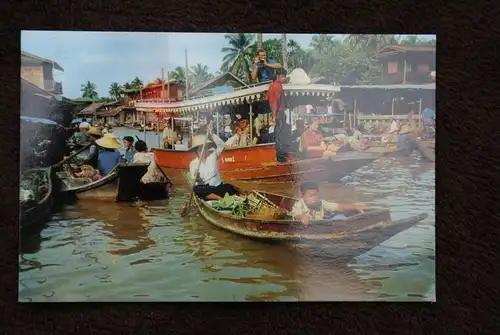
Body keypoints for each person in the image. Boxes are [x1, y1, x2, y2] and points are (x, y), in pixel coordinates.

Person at [189, 125, 238, 201]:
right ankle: (217, 198)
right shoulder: (193, 164)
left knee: (230, 187)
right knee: (197, 189)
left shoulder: (213, 154)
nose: (203, 151)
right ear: (196, 151)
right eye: (200, 149)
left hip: (218, 187)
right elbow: (193, 180)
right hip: (206, 190)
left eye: (204, 148)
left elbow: (222, 146)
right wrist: (197, 178)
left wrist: (212, 135)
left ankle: (219, 197)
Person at [291, 182, 369, 225]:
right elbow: (297, 215)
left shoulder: (321, 202)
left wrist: (355, 207)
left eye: (316, 195)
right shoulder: (299, 204)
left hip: (319, 226)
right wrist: (302, 217)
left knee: (340, 216)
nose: (314, 198)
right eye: (310, 196)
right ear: (303, 196)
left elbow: (339, 207)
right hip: (309, 226)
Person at [267, 68, 292, 162]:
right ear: (278, 76)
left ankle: (281, 156)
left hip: (278, 113)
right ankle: (281, 158)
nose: (284, 78)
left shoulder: (274, 86)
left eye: (285, 76)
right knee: (280, 136)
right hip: (279, 113)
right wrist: (274, 116)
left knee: (279, 135)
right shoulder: (276, 86)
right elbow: (274, 102)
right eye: (282, 76)